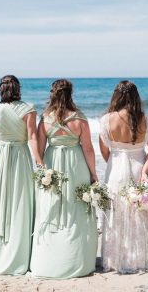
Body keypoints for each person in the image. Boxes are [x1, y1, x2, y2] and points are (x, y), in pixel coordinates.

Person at [0, 75, 43, 274]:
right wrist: (39, 160)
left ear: (1, 90)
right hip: (21, 157)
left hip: (0, 158)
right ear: (18, 89)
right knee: (21, 201)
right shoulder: (28, 108)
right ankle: (19, 254)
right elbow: (32, 137)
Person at [30, 79, 98, 279]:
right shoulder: (80, 119)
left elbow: (40, 149)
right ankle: (78, 259)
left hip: (53, 165)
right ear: (70, 94)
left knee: (52, 208)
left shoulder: (45, 119)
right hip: (76, 165)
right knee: (76, 209)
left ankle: (49, 260)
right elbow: (88, 148)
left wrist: (43, 169)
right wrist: (94, 173)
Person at [99, 80, 148, 273]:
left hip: (115, 169)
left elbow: (104, 150)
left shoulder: (107, 120)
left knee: (116, 214)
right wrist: (145, 172)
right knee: (139, 214)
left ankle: (116, 261)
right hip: (138, 167)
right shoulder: (146, 119)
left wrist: (115, 162)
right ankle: (138, 260)